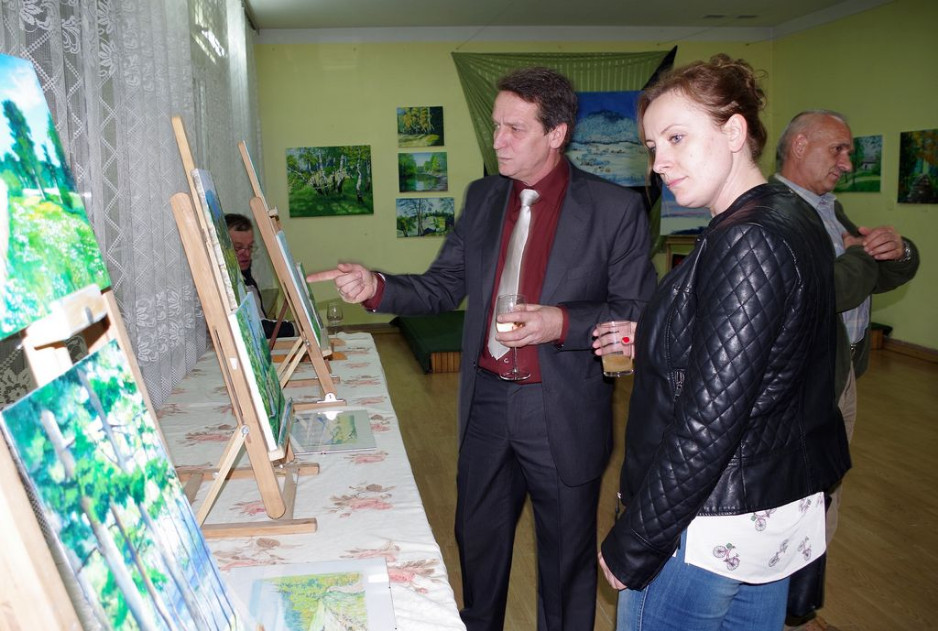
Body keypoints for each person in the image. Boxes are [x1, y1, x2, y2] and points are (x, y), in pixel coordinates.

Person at [308, 66, 657, 631]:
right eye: (496, 126)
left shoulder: (614, 210)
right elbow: (444, 285)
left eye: (515, 129)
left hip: (561, 406)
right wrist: (376, 286)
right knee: (478, 545)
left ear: (557, 133)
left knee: (566, 562)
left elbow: (637, 311)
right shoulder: (484, 197)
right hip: (487, 403)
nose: (498, 140)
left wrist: (560, 322)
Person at [596, 55, 851, 630]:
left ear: (734, 132)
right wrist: (656, 336)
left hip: (709, 517)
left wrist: (638, 540)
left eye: (676, 138)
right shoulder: (790, 215)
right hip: (769, 506)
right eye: (652, 146)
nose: (659, 162)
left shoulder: (746, 239)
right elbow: (771, 349)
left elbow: (709, 420)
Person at [773, 110, 919, 542]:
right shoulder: (776, 210)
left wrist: (899, 251)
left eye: (849, 152)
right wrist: (859, 254)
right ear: (800, 145)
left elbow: (870, 274)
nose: (848, 163)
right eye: (838, 149)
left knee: (827, 485)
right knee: (802, 491)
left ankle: (810, 577)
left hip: (841, 372)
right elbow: (827, 292)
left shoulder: (827, 207)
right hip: (803, 382)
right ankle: (796, 578)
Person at [225, 213, 295, 339]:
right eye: (238, 248)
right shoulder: (225, 286)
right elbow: (254, 327)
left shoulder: (246, 274)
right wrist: (293, 328)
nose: (246, 254)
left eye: (250, 247)